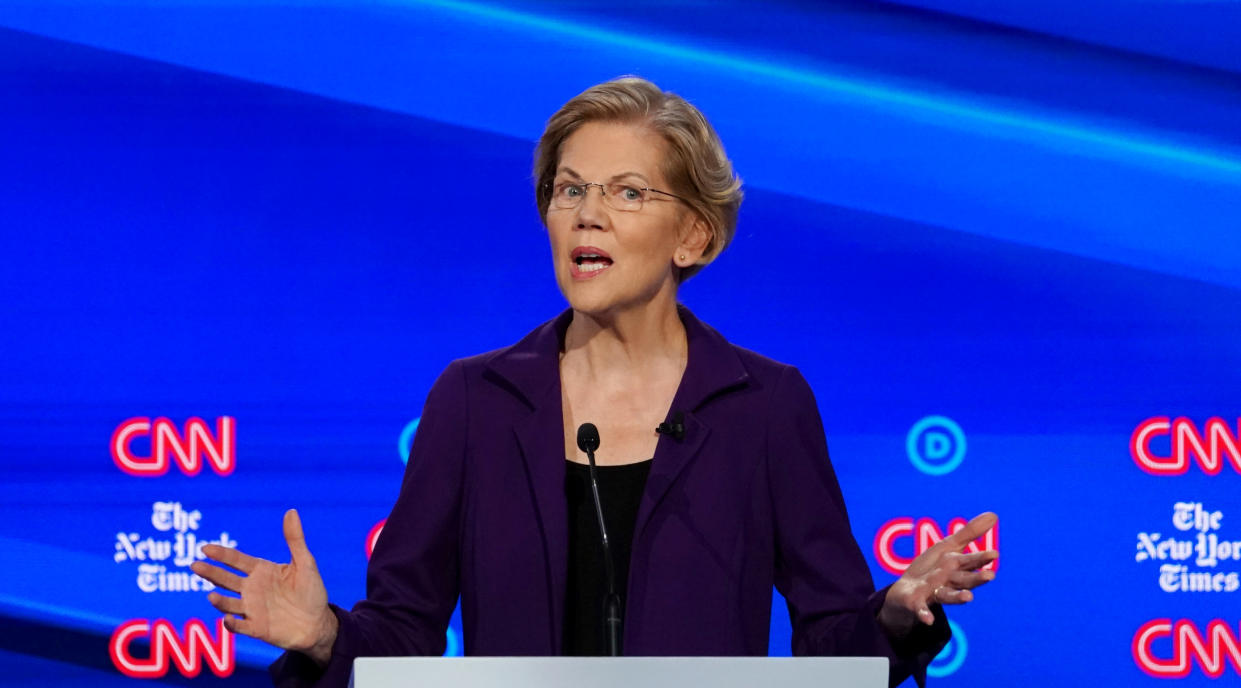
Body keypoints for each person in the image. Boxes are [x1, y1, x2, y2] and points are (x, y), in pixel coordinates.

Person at [191, 77, 998, 688]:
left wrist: (893, 616)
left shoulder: (764, 406)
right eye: (569, 189)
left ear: (693, 235)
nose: (587, 214)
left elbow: (830, 642)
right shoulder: (474, 403)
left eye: (627, 193)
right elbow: (403, 636)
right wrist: (323, 636)